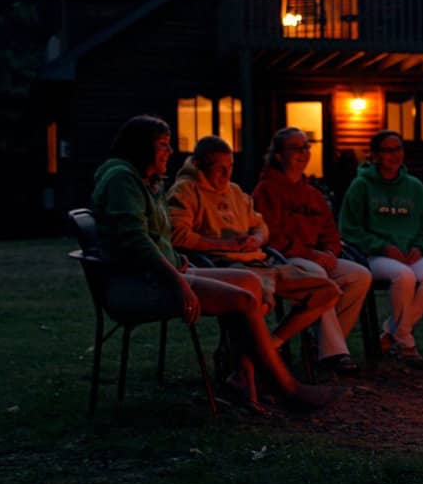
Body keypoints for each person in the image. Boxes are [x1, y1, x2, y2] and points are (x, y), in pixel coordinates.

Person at [92, 115, 342, 412]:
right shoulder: (123, 179)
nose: (170, 152)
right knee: (247, 296)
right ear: (140, 147)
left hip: (170, 271)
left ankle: (251, 375)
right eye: (162, 145)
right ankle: (286, 388)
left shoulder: (144, 181)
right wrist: (178, 279)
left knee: (251, 282)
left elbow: (159, 238)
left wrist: (179, 261)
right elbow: (136, 241)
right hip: (143, 283)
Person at [166, 136, 341, 360]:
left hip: (260, 261)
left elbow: (260, 225)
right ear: (199, 166)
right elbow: (178, 234)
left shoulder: (235, 192)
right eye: (219, 169)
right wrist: (223, 245)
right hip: (226, 266)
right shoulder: (185, 192)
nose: (226, 175)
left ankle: (268, 347)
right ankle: (246, 366)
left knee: (326, 291)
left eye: (229, 167)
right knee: (259, 302)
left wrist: (257, 239)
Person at [252, 127, 372, 374]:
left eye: (306, 147)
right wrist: (313, 255)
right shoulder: (266, 190)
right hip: (283, 260)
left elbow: (331, 231)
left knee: (360, 275)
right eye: (297, 148)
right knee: (317, 273)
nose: (304, 152)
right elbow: (270, 235)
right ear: (278, 155)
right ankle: (334, 354)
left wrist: (329, 251)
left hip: (317, 259)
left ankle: (322, 343)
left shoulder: (313, 194)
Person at [338, 130, 423, 365]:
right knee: (404, 276)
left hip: (409, 253)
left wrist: (419, 247)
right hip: (373, 255)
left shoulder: (415, 187)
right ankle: (406, 343)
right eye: (387, 151)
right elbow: (349, 229)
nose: (393, 155)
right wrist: (382, 247)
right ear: (375, 155)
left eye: (397, 149)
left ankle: (391, 333)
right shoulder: (361, 186)